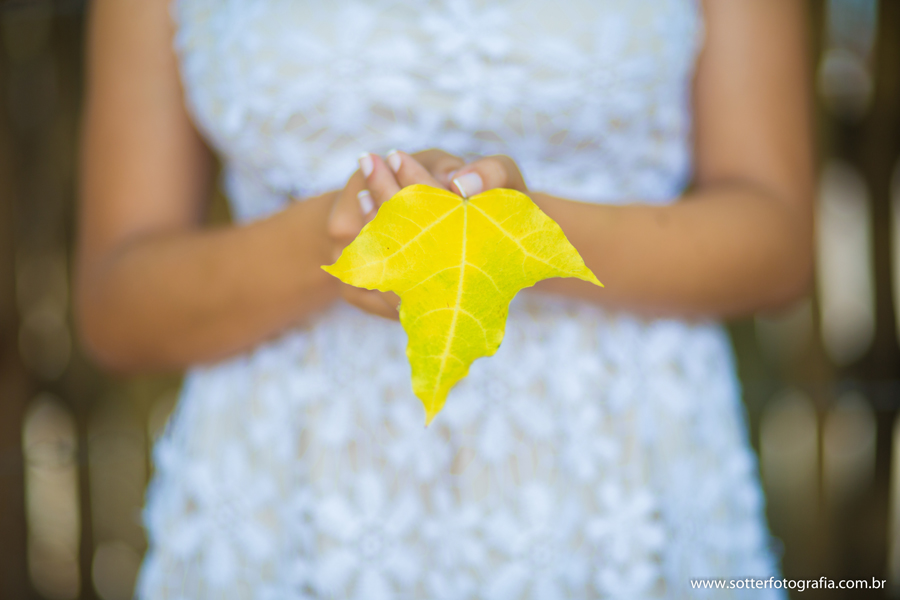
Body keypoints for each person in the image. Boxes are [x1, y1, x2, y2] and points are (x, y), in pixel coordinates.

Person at [77, 0, 812, 598]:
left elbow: (777, 243)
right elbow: (117, 305)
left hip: (622, 488)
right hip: (293, 499)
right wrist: (332, 241)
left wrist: (515, 229)